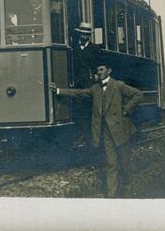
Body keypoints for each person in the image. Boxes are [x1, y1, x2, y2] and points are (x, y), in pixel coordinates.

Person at [50, 64, 143, 198]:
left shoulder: (119, 85)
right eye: (97, 70)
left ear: (109, 71)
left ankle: (128, 187)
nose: (99, 72)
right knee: (111, 163)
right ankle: (111, 194)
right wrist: (58, 90)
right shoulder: (95, 89)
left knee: (125, 162)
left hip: (120, 130)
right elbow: (78, 92)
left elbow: (138, 95)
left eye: (102, 70)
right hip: (105, 131)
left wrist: (126, 109)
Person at [70, 22, 101, 147]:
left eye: (87, 35)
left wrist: (95, 76)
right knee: (77, 109)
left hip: (88, 84)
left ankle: (87, 137)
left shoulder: (95, 49)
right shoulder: (73, 47)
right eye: (83, 34)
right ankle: (81, 136)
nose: (84, 37)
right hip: (75, 82)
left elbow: (99, 67)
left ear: (89, 36)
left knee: (87, 109)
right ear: (79, 34)